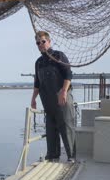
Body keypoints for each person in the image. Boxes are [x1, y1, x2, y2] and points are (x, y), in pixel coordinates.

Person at [30, 31, 76, 163]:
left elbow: (68, 75)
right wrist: (33, 99)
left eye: (43, 41)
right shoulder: (38, 62)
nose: (40, 44)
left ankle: (71, 156)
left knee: (66, 126)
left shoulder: (59, 55)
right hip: (47, 101)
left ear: (49, 42)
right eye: (38, 43)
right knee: (50, 130)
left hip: (62, 99)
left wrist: (63, 91)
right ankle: (53, 155)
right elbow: (37, 83)